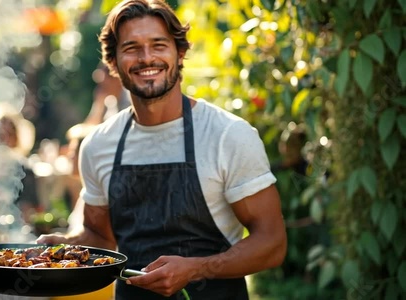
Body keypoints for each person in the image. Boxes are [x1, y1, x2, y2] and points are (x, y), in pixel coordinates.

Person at [37, 0, 287, 299]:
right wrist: (66, 248)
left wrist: (197, 268)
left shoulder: (227, 135)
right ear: (113, 62)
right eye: (131, 48)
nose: (146, 58)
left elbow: (272, 242)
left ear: (180, 53)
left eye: (158, 45)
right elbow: (100, 237)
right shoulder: (99, 145)